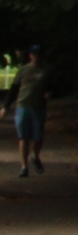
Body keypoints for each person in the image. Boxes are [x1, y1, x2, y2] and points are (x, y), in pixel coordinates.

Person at [9, 43, 49, 177]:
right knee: (23, 137)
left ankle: (35, 156)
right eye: (34, 54)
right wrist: (5, 106)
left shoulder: (45, 70)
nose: (36, 57)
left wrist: (49, 93)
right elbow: (14, 89)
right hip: (23, 106)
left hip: (38, 107)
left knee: (38, 137)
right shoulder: (23, 70)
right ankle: (24, 166)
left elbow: (54, 86)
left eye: (39, 54)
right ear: (30, 56)